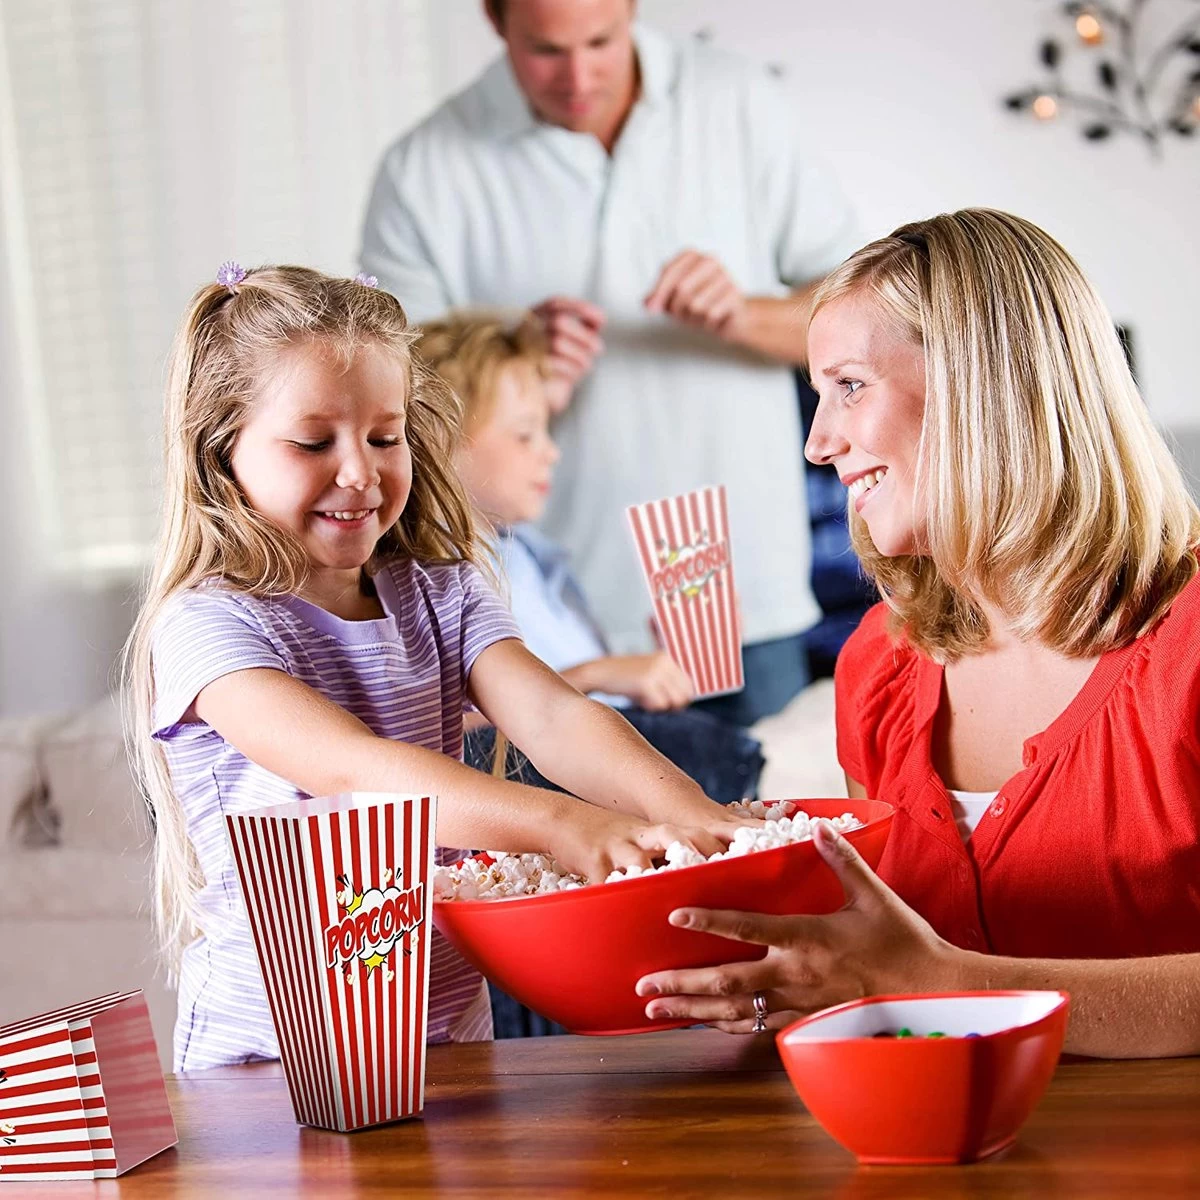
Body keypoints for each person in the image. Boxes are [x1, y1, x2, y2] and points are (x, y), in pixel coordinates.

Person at [123, 264, 747, 1072]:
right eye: (314, 442)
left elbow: (554, 715)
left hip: (445, 1042)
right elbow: (354, 772)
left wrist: (691, 813)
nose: (360, 472)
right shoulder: (206, 624)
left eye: (385, 438)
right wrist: (563, 824)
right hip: (270, 1065)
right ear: (220, 452)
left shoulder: (441, 593)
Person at [632, 209, 1200, 1059]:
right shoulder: (880, 664)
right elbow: (888, 980)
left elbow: (919, 981)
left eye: (850, 386)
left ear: (985, 387)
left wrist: (939, 982)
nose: (818, 443)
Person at [359, 0, 862, 727]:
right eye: (546, 50)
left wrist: (745, 313)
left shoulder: (736, 99)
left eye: (600, 41)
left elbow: (863, 319)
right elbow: (390, 402)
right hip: (550, 606)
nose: (579, 77)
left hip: (743, 580)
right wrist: (514, 363)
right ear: (495, 20)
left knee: (769, 784)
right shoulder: (422, 168)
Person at [413, 313, 764, 806]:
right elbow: (436, 738)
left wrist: (658, 670)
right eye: (525, 433)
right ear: (440, 441)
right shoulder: (429, 576)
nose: (550, 452)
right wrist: (599, 673)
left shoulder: (531, 558)